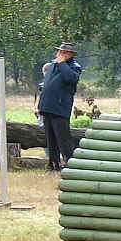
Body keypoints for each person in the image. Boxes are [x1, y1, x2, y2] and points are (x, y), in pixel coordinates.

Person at [37, 42, 83, 172]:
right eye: (59, 52)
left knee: (63, 140)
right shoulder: (52, 65)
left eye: (63, 52)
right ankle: (53, 165)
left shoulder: (74, 67)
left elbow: (71, 78)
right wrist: (40, 106)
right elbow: (45, 86)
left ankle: (70, 165)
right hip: (47, 107)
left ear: (70, 54)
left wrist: (62, 63)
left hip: (60, 108)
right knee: (50, 140)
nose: (60, 54)